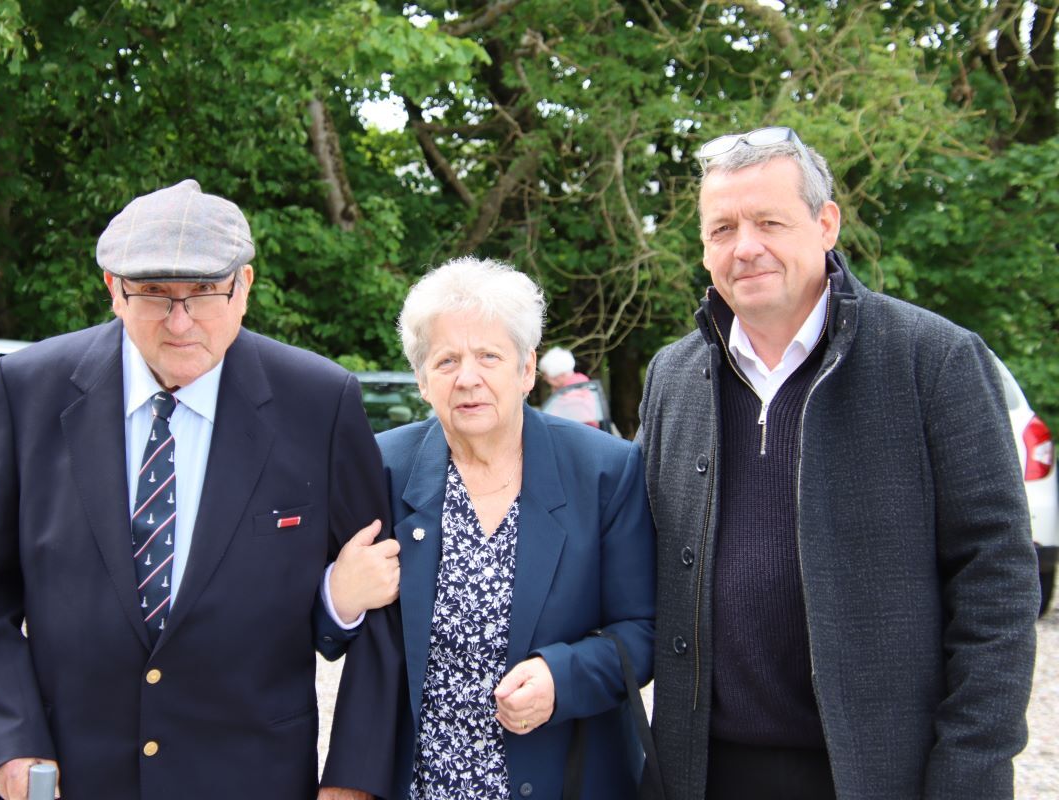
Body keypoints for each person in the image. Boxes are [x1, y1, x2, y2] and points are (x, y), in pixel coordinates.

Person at [0, 179, 401, 800]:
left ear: (244, 288)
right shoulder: (28, 391)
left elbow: (384, 613)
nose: (180, 322)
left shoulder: (319, 401)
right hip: (74, 779)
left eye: (205, 293)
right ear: (114, 290)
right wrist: (9, 748)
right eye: (154, 294)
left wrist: (353, 780)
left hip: (254, 778)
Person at [637, 126, 1039, 799]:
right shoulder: (673, 375)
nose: (746, 247)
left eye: (769, 221)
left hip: (877, 773)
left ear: (826, 223)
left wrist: (970, 769)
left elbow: (995, 582)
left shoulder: (932, 361)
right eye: (723, 228)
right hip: (704, 771)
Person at [371, 257, 655, 799]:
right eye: (446, 360)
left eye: (489, 356)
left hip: (563, 779)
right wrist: (341, 592)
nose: (468, 377)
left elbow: (642, 630)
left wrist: (562, 678)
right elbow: (334, 629)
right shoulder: (384, 468)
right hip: (423, 785)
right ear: (423, 381)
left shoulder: (604, 470)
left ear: (527, 371)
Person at [537, 347, 600, 429]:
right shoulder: (581, 382)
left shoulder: (571, 398)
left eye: (546, 374)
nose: (544, 379)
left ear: (561, 375)